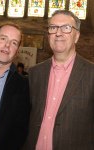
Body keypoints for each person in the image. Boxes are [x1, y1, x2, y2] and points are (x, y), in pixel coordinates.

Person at [22, 10, 94, 150]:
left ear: (76, 36)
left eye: (66, 28)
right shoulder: (35, 73)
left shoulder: (91, 73)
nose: (58, 33)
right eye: (53, 27)